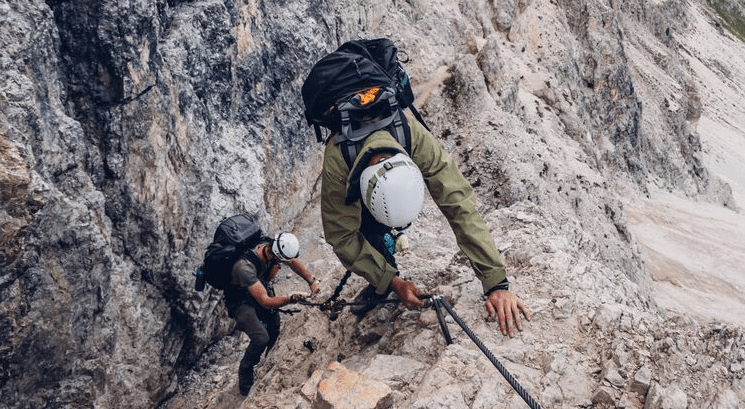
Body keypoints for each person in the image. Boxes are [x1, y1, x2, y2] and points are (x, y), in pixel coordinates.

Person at [319, 108, 531, 337]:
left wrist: (496, 284)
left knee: (384, 232)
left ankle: (382, 274)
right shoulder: (338, 161)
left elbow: (460, 207)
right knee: (368, 232)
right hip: (352, 179)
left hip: (402, 146)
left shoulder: (413, 136)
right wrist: (391, 281)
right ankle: (379, 281)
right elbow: (341, 236)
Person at [227, 232, 321, 395]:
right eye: (280, 262)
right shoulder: (244, 267)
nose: (282, 265)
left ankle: (268, 362)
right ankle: (245, 374)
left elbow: (291, 262)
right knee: (260, 338)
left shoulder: (271, 246)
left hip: (258, 286)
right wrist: (291, 299)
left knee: (274, 326)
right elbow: (264, 301)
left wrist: (311, 281)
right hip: (240, 301)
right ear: (276, 255)